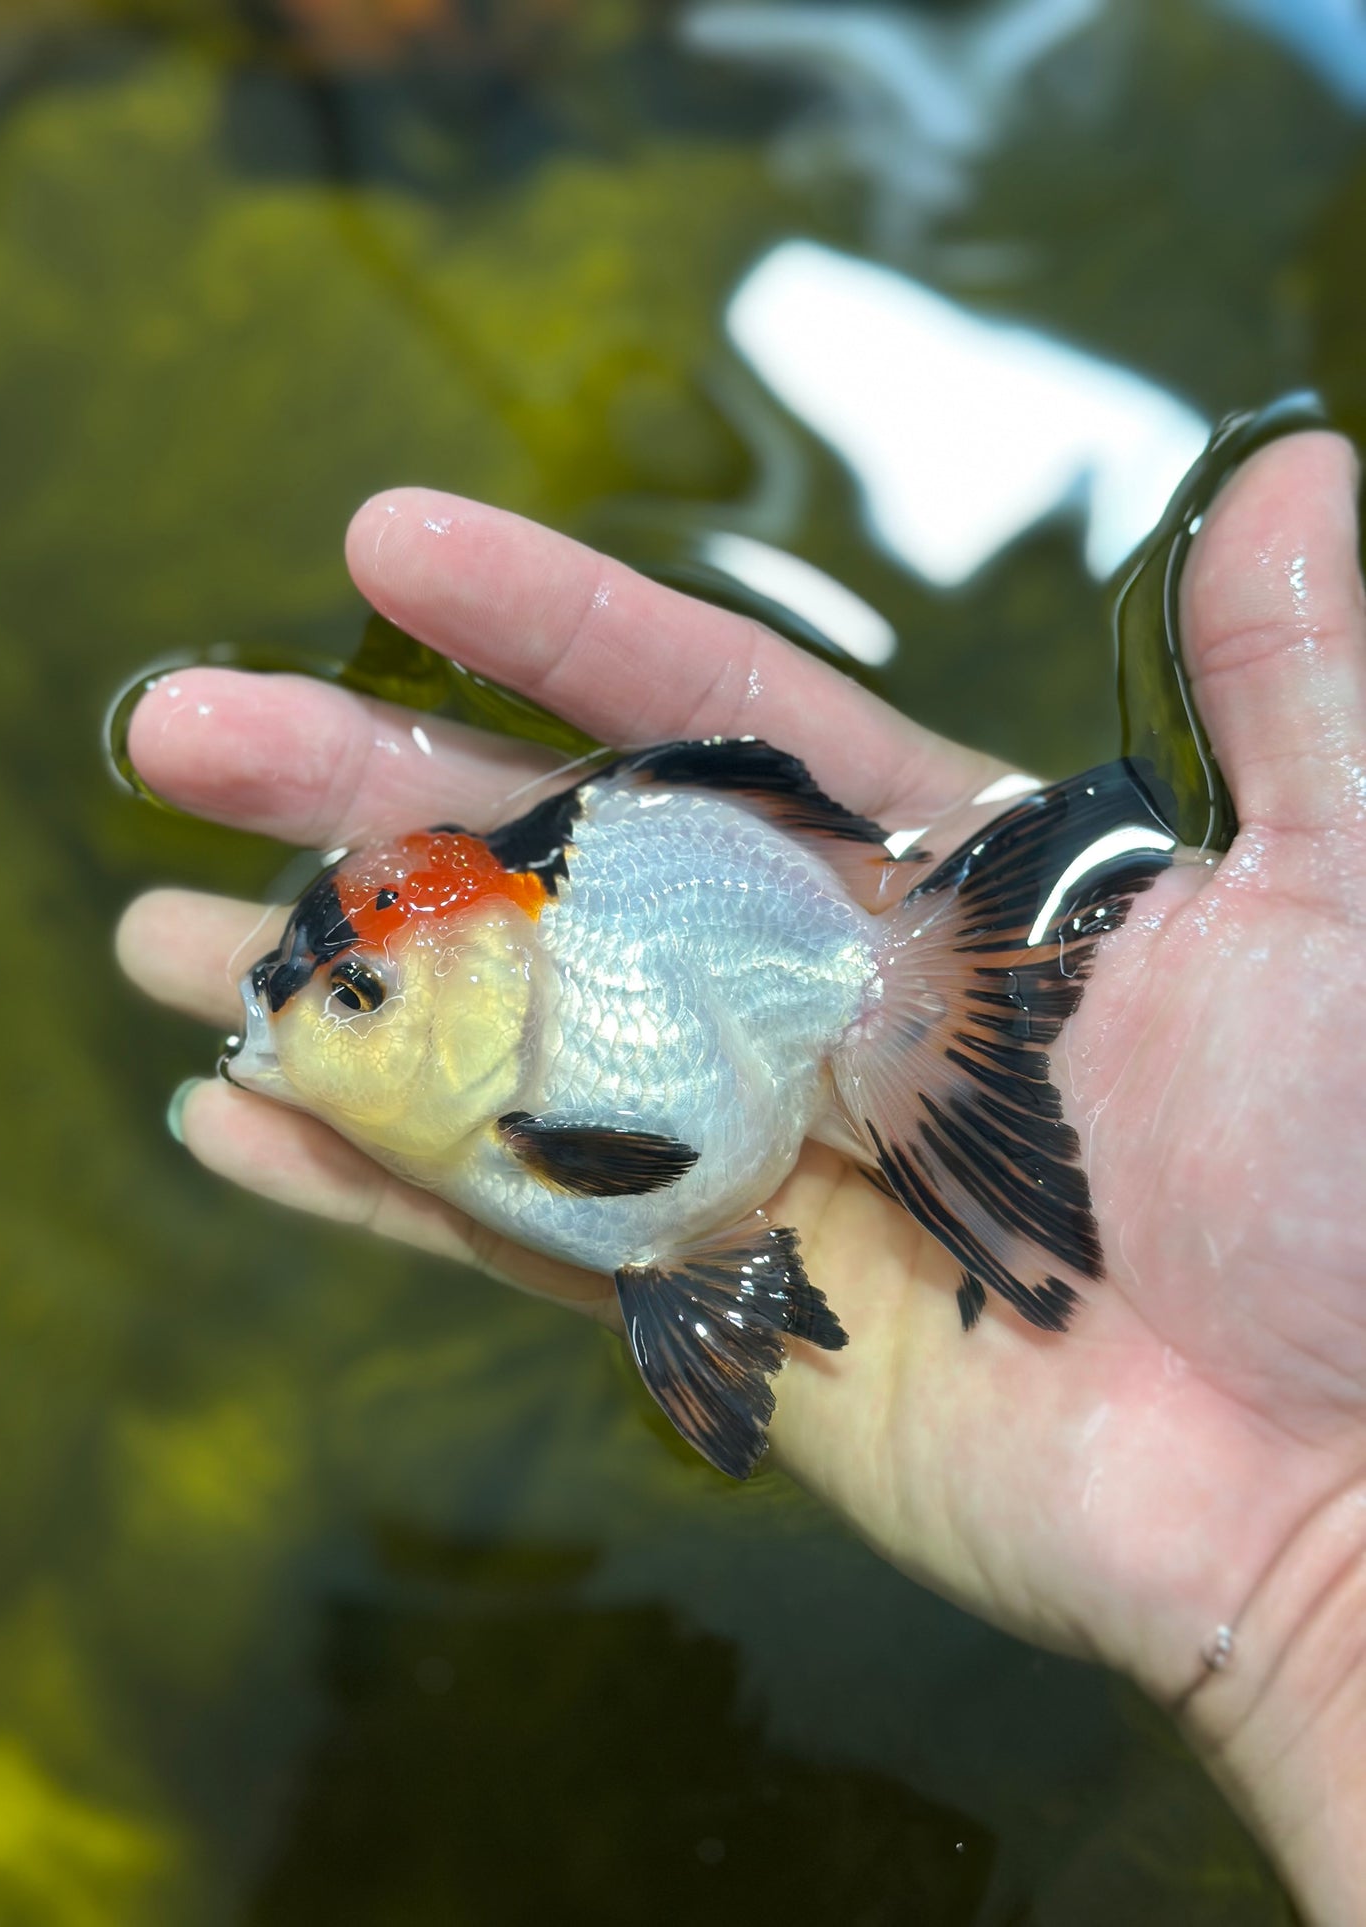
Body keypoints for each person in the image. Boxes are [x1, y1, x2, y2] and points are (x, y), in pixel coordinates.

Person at [118, 431, 1366, 1925]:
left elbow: (637, 1165)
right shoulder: (490, 1064)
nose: (301, 1036)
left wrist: (1315, 1577)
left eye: (358, 1004)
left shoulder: (550, 1084)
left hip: (792, 1001)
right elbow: (652, 1189)